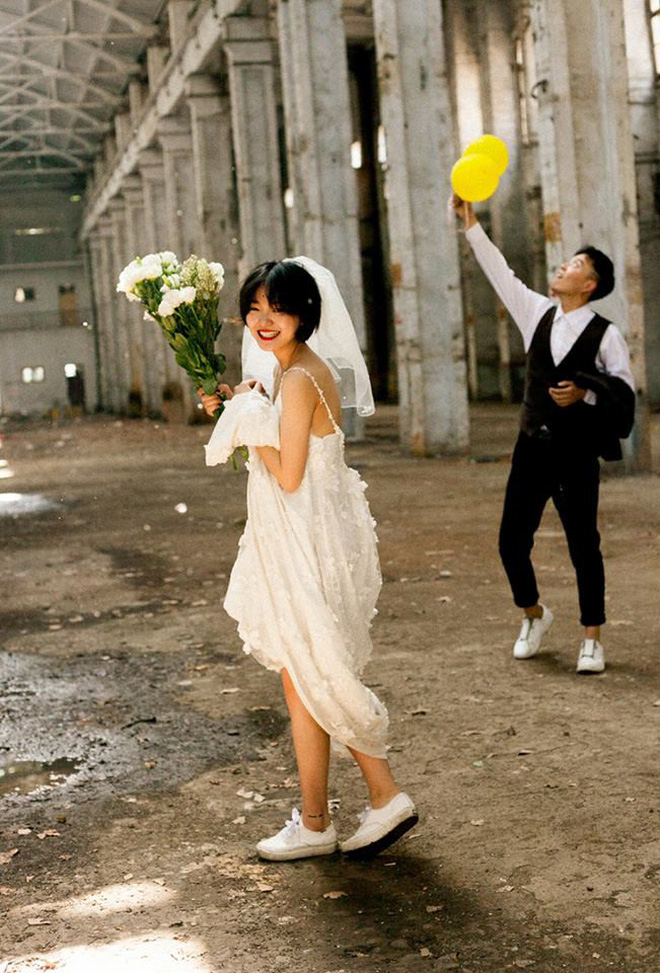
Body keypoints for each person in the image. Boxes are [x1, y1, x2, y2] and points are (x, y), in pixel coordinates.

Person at [199, 256, 417, 861]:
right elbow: (285, 433)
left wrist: (245, 421)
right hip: (309, 530)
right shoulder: (293, 371)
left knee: (318, 670)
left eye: (278, 309)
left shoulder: (298, 378)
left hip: (303, 536)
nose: (264, 320)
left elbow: (289, 473)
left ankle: (385, 795)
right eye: (254, 309)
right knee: (303, 679)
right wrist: (243, 403)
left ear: (305, 313)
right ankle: (317, 821)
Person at [453, 196, 635, 674]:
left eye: (573, 265)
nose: (562, 267)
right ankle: (533, 613)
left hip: (576, 453)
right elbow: (500, 273)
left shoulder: (606, 334)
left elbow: (623, 392)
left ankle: (591, 638)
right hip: (532, 445)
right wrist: (471, 223)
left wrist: (586, 394)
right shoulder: (537, 312)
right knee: (511, 541)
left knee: (583, 544)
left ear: (589, 285)